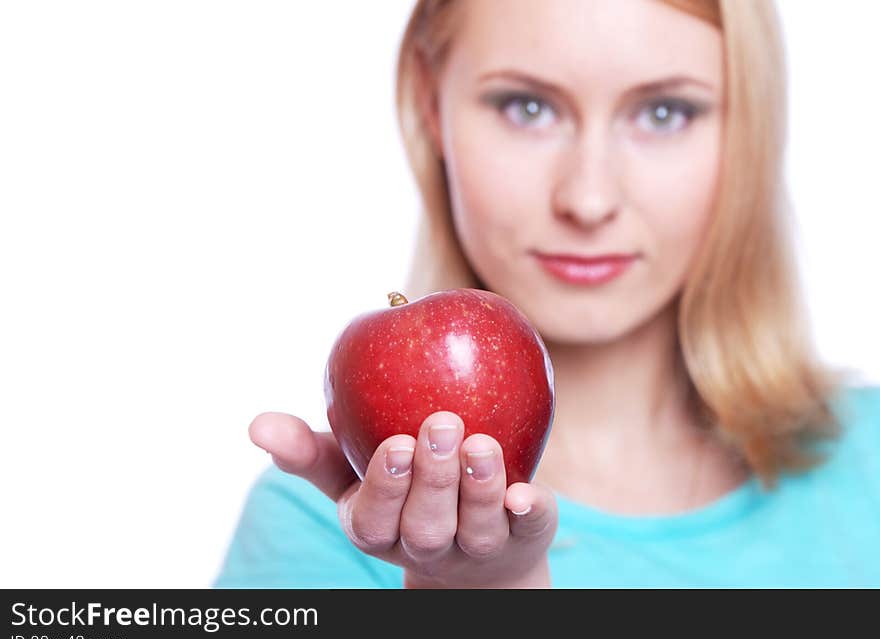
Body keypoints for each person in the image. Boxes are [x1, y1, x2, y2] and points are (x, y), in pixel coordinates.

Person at [213, 0, 880, 588]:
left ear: (749, 127)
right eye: (526, 107)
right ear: (430, 105)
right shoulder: (331, 524)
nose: (588, 199)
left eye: (665, 112)